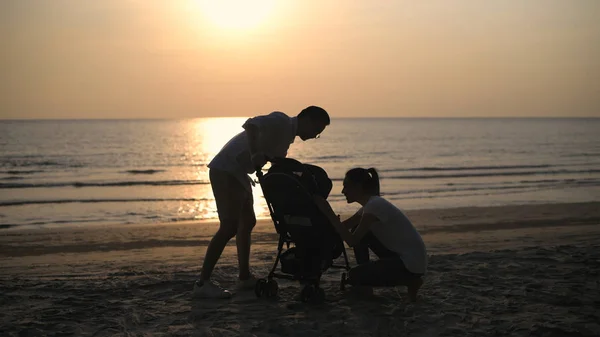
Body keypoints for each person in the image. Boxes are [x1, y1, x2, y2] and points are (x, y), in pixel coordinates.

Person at [194, 106, 330, 299]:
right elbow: (251, 125)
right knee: (230, 226)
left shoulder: (286, 139)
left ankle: (244, 277)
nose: (315, 135)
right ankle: (202, 283)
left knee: (248, 222)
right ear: (308, 119)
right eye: (317, 131)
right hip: (226, 169)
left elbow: (279, 164)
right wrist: (255, 152)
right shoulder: (281, 121)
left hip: (240, 174)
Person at [314, 167, 427, 302]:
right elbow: (343, 227)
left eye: (346, 186)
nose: (343, 191)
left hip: (410, 263)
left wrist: (329, 213)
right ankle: (370, 278)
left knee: (354, 276)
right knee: (358, 228)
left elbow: (352, 241)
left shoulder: (375, 206)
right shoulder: (369, 206)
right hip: (402, 257)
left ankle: (411, 281)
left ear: (358, 187)